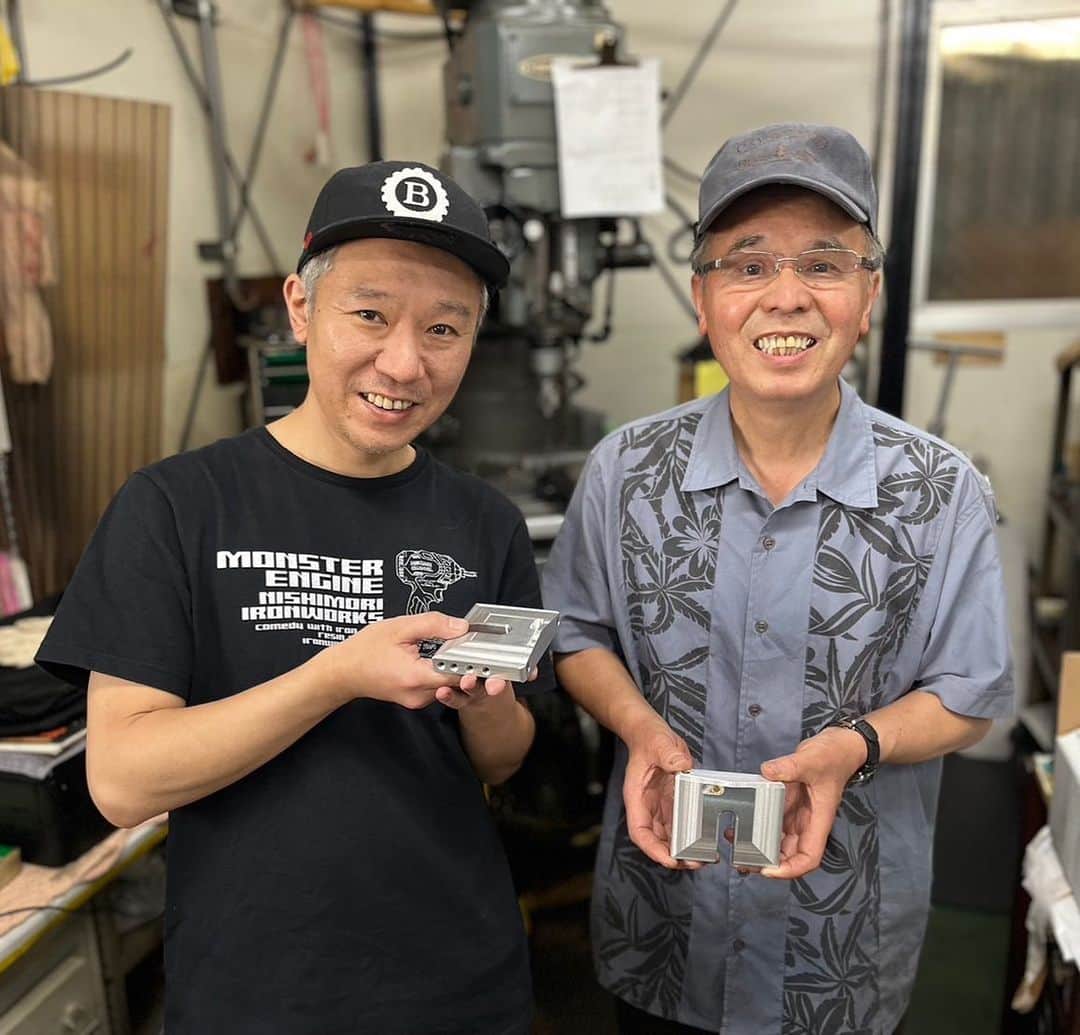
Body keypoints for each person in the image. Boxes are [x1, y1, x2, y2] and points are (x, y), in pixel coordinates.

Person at [36, 161, 551, 1034]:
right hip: (258, 993)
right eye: (370, 315)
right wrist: (336, 675)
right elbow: (122, 780)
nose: (404, 362)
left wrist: (485, 703)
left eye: (443, 328)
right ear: (302, 307)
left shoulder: (485, 521)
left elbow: (501, 762)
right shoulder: (177, 506)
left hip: (461, 984)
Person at [541, 123, 1013, 1035]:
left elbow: (970, 692)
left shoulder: (939, 490)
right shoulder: (625, 472)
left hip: (837, 947)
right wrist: (638, 725)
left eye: (824, 265)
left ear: (868, 295)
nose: (786, 296)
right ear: (703, 298)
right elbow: (578, 630)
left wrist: (854, 745)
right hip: (664, 923)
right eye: (748, 265)